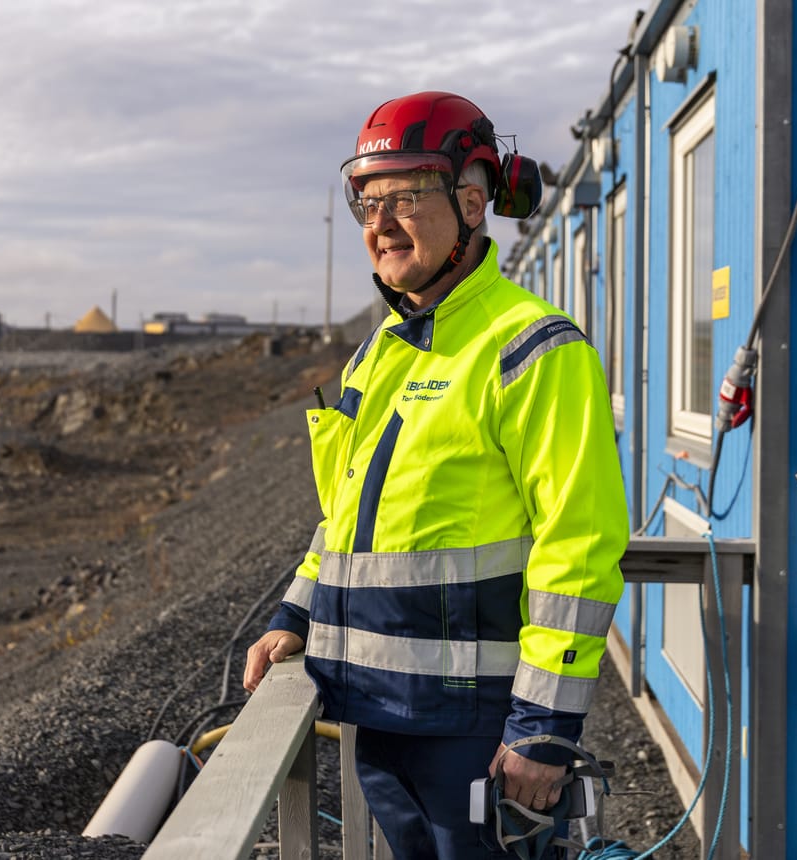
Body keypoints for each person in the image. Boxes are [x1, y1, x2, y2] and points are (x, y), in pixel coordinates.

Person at [242, 91, 629, 859]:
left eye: (407, 195)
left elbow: (578, 546)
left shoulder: (532, 349)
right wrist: (294, 614)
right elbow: (347, 521)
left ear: (474, 200)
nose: (380, 223)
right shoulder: (380, 352)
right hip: (380, 722)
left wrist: (544, 727)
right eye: (367, 200)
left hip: (479, 734)